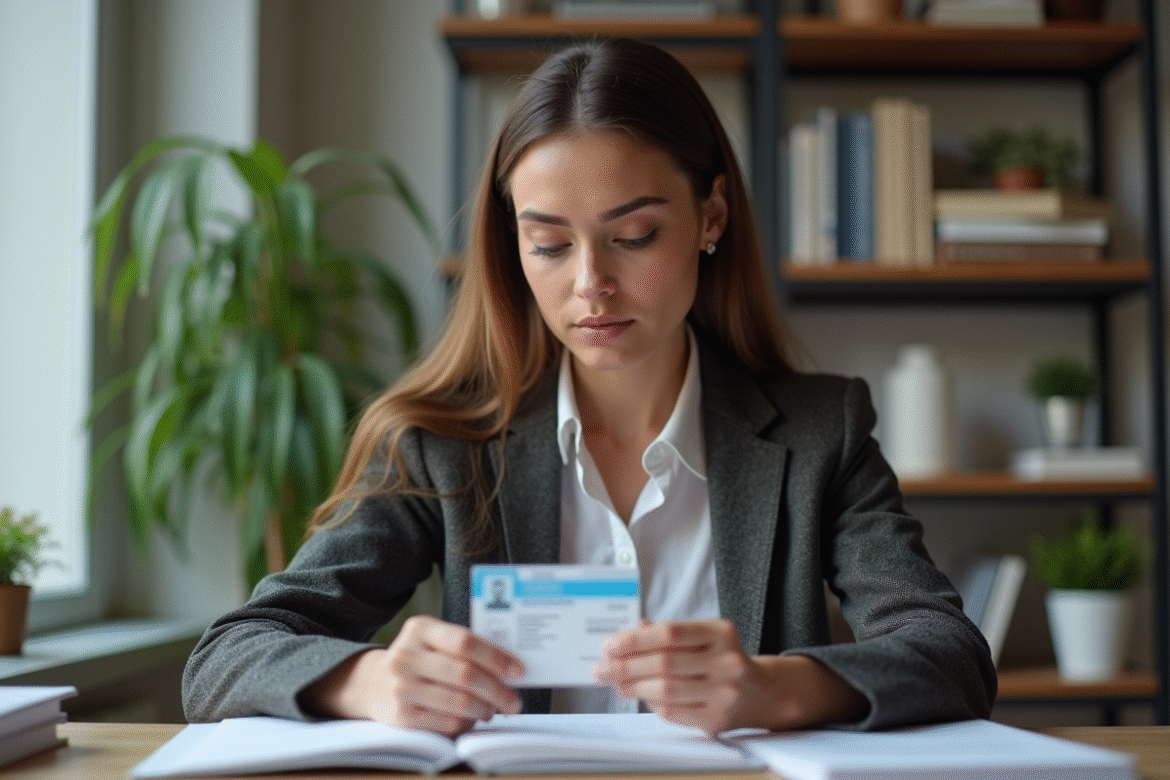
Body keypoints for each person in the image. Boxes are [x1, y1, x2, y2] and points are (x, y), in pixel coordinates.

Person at [183, 37, 995, 738]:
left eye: (634, 236)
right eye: (548, 245)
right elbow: (228, 656)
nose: (591, 285)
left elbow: (947, 651)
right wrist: (370, 682)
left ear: (711, 216)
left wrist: (773, 687)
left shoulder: (823, 433)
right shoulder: (441, 444)